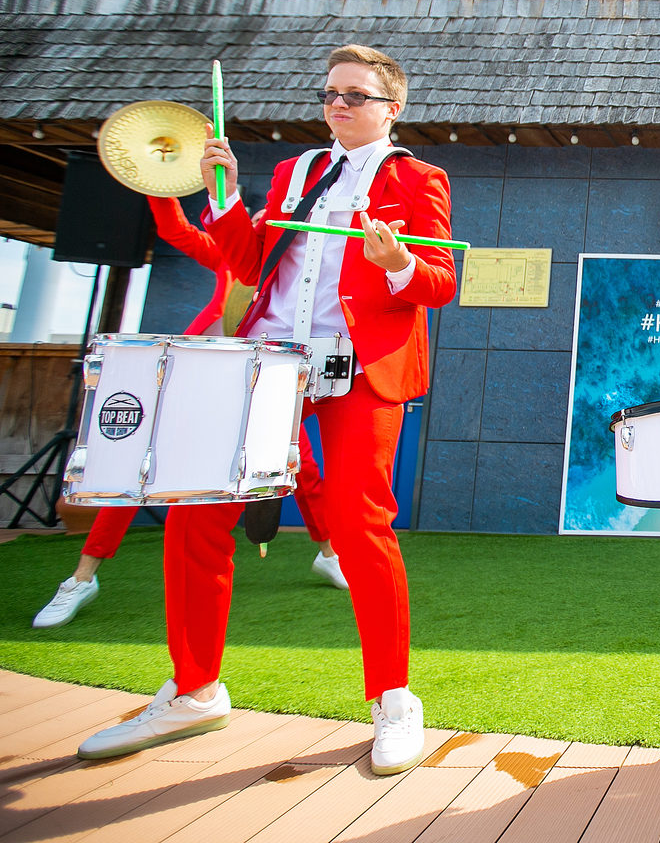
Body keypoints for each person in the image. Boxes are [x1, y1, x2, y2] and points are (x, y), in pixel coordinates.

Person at [75, 45, 456, 775]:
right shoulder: (295, 172)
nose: (338, 105)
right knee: (195, 513)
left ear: (391, 107)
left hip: (357, 369)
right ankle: (195, 691)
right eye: (330, 94)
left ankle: (394, 699)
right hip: (266, 364)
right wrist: (224, 198)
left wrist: (395, 263)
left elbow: (437, 282)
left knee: (359, 524)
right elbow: (251, 263)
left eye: (355, 95)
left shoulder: (418, 178)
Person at [34, 197, 345, 630]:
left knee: (304, 468)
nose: (261, 222)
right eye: (255, 217)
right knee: (142, 466)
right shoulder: (230, 254)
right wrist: (158, 180)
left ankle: (329, 554)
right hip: (197, 374)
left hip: (264, 379)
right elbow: (176, 231)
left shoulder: (299, 266)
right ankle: (82, 578)